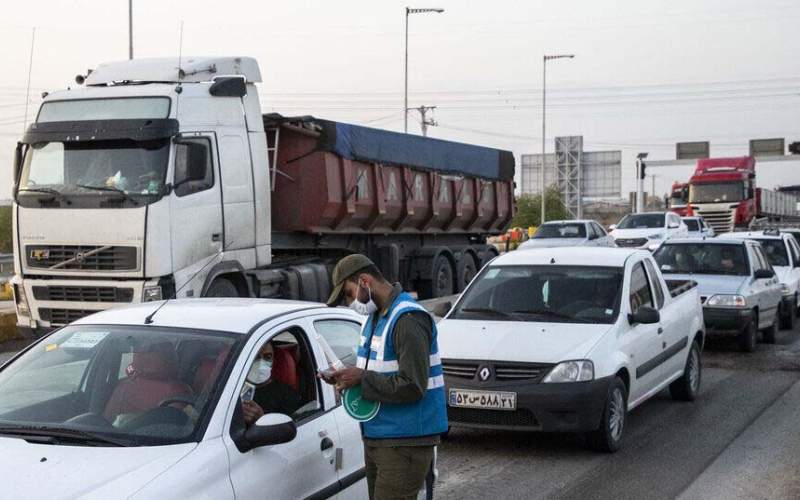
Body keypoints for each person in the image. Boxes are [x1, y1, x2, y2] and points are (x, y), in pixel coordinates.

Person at [322, 254, 447, 500]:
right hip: (380, 436)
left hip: (404, 441)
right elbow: (378, 371)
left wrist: (361, 378)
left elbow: (413, 385)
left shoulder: (407, 319)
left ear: (364, 281)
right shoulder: (376, 318)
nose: (349, 303)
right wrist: (346, 379)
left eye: (348, 294)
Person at [241, 341, 302, 426]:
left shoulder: (286, 395)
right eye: (255, 357)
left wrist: (262, 420)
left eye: (268, 357)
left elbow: (289, 430)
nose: (261, 363)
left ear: (273, 360)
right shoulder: (231, 387)